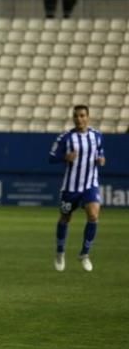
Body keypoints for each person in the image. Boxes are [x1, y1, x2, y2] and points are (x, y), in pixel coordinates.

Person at [49, 105, 105, 272]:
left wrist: (101, 159)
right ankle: (60, 252)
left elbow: (100, 152)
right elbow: (51, 157)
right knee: (65, 219)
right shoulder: (65, 138)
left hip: (90, 185)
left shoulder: (97, 135)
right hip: (70, 187)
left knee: (93, 215)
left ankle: (85, 254)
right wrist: (64, 157)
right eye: (76, 116)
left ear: (88, 117)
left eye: (82, 115)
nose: (79, 119)